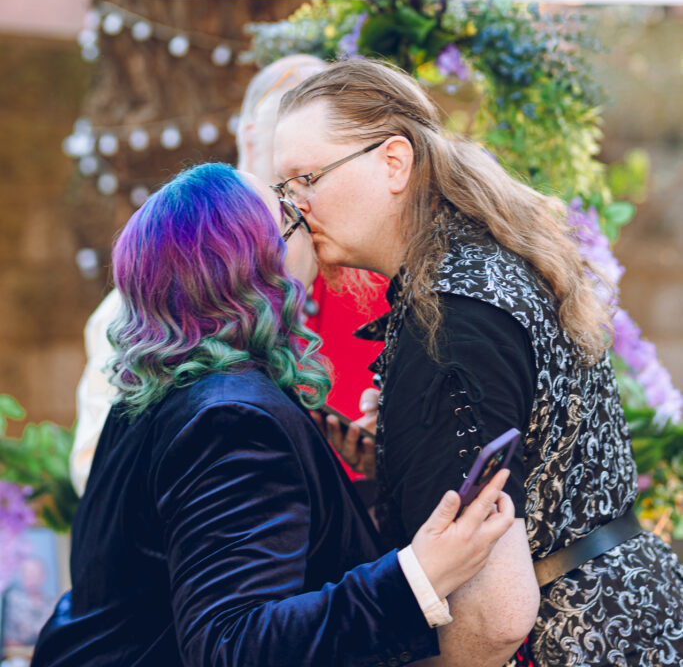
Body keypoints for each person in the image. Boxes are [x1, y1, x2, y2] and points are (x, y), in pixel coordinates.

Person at [273, 58, 683, 667]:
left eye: (307, 178)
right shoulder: (483, 263)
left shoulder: (449, 314)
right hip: (630, 617)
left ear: (394, 163)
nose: (294, 209)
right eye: (285, 189)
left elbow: (494, 617)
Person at [32, 162, 514, 667]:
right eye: (286, 213)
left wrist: (378, 486)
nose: (304, 213)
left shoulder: (153, 393)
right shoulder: (231, 421)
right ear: (251, 261)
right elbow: (232, 646)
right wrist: (418, 577)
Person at [69, 54, 384, 496]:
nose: (304, 191)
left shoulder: (363, 275)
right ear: (251, 136)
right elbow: (99, 471)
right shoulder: (158, 289)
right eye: (291, 161)